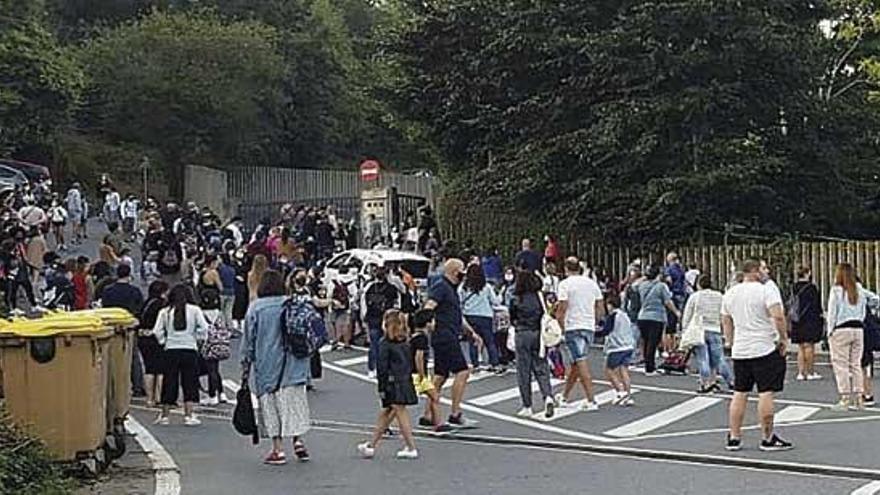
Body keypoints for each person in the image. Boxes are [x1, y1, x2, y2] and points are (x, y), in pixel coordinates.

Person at [242, 270, 312, 465]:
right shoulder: (292, 304)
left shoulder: (256, 308)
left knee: (271, 406)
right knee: (294, 403)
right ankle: (298, 440)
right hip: (295, 363)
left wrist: (245, 364)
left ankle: (278, 449)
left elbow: (249, 340)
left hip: (267, 364)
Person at [722, 259, 791, 452]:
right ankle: (767, 437)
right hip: (764, 347)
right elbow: (777, 315)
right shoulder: (765, 290)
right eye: (762, 268)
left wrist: (730, 342)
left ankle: (734, 436)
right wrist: (783, 338)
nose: (765, 271)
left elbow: (726, 320)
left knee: (740, 392)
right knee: (766, 392)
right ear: (753, 271)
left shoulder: (730, 293)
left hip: (741, 349)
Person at [424, 259, 482, 427]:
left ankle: (428, 414)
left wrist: (471, 332)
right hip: (445, 335)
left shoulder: (451, 289)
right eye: (462, 270)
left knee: (440, 376)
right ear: (455, 271)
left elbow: (456, 315)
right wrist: (430, 323)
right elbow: (429, 306)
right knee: (462, 371)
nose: (464, 274)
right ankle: (455, 413)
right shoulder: (441, 286)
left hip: (446, 334)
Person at [357, 309, 419, 460]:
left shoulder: (384, 343)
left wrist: (381, 388)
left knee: (399, 413)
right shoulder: (405, 341)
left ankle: (411, 447)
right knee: (387, 413)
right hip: (404, 380)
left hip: (392, 383)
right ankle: (371, 445)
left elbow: (382, 368)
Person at [153, 284, 209, 426]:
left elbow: (156, 331)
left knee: (169, 382)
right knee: (190, 382)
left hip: (171, 349)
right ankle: (189, 415)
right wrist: (197, 339)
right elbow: (204, 327)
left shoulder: (165, 312)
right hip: (189, 348)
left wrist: (164, 341)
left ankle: (165, 415)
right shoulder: (195, 310)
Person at [826, 263, 878, 411]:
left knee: (840, 364)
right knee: (856, 364)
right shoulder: (859, 289)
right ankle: (859, 396)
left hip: (841, 329)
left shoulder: (836, 291)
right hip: (858, 329)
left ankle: (845, 398)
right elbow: (875, 298)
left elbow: (832, 313)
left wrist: (830, 331)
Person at [555, 257, 604, 410]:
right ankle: (564, 396)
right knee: (576, 363)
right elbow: (600, 306)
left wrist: (560, 326)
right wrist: (595, 321)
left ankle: (591, 399)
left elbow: (562, 307)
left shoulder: (564, 285)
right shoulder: (591, 283)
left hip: (573, 326)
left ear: (566, 268)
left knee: (580, 362)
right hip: (588, 326)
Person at [509, 271, 555, 418]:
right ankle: (548, 396)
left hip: (522, 333)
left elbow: (512, 317)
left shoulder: (516, 298)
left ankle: (527, 405)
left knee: (524, 371)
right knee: (541, 365)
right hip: (539, 334)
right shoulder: (540, 297)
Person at [682, 274, 734, 393]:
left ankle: (704, 383)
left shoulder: (695, 296)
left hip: (699, 330)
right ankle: (731, 381)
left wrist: (685, 330)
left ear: (699, 284)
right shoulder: (719, 296)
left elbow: (687, 314)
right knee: (719, 359)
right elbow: (724, 313)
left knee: (702, 358)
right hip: (715, 329)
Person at [101, 264, 147, 396]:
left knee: (111, 357)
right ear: (129, 274)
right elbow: (140, 309)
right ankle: (138, 386)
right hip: (129, 327)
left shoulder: (108, 290)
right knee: (133, 358)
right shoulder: (135, 291)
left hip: (112, 326)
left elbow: (104, 307)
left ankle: (112, 386)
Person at [637, 264, 681, 376]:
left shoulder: (642, 285)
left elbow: (633, 287)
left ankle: (648, 365)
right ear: (658, 275)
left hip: (642, 316)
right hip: (656, 317)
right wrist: (676, 312)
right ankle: (650, 368)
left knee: (646, 341)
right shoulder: (661, 286)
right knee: (653, 342)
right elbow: (667, 301)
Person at [459, 263, 503, 373]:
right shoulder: (486, 286)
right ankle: (495, 363)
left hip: (469, 315)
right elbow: (495, 301)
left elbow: (459, 301)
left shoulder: (464, 287)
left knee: (473, 341)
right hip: (485, 316)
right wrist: (501, 294)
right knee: (489, 341)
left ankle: (475, 364)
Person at [361, 265, 402, 378]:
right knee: (388, 343)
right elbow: (398, 302)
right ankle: (387, 368)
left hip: (372, 318)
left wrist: (364, 317)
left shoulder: (370, 287)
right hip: (388, 319)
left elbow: (364, 303)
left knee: (374, 345)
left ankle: (372, 368)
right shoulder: (392, 288)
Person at [595, 294, 635, 405]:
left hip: (617, 347)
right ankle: (628, 395)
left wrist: (594, 332)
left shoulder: (613, 316)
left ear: (610, 305)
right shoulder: (624, 315)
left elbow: (606, 331)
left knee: (609, 370)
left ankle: (620, 391)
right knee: (624, 370)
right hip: (628, 345)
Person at [198, 255, 228, 406]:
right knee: (214, 368)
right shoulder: (213, 273)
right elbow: (221, 287)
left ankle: (214, 394)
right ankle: (219, 393)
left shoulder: (202, 274)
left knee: (211, 368)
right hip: (218, 340)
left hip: (207, 341)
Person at [790, 266, 823, 381]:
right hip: (810, 319)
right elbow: (816, 305)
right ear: (807, 274)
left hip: (797, 319)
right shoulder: (811, 288)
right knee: (809, 346)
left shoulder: (793, 287)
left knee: (800, 347)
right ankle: (810, 372)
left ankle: (800, 372)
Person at [139, 281, 169, 407]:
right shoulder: (162, 306)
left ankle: (149, 398)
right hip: (157, 338)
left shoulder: (146, 303)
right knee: (161, 369)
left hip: (143, 338)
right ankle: (159, 397)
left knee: (149, 368)